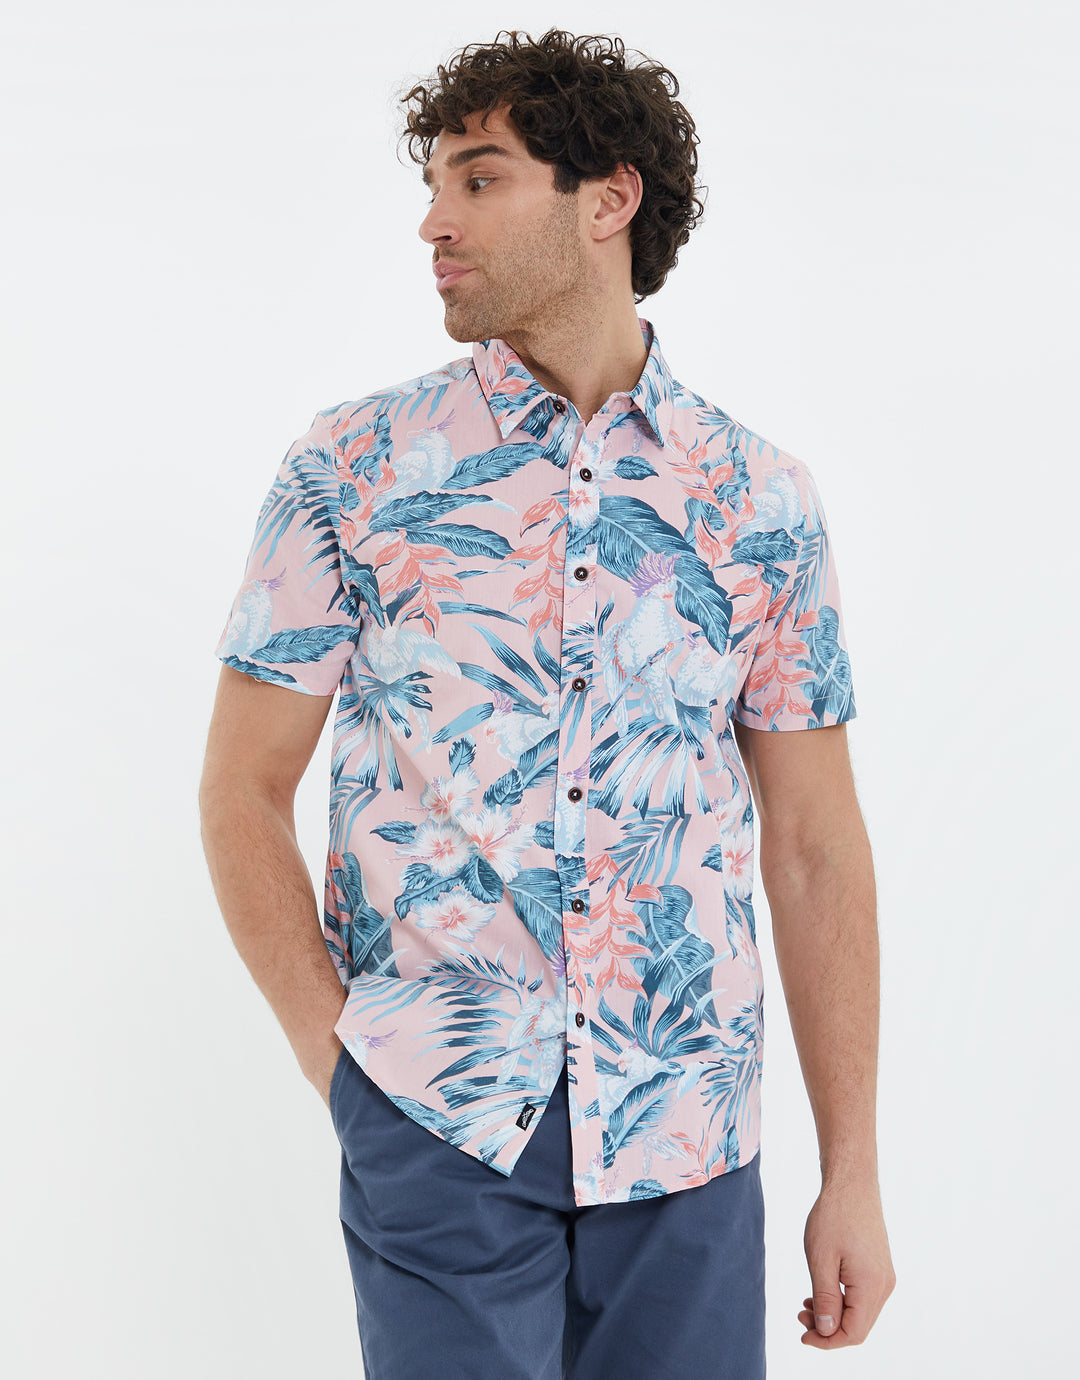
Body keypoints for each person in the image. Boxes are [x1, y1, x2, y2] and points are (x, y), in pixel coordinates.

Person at [199, 28, 894, 1378]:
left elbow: (816, 846)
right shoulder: (352, 467)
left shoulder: (759, 499)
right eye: (436, 186)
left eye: (479, 179)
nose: (433, 223)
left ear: (607, 200)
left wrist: (851, 1170)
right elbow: (241, 786)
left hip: (688, 1131)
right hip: (440, 1115)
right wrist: (341, 1059)